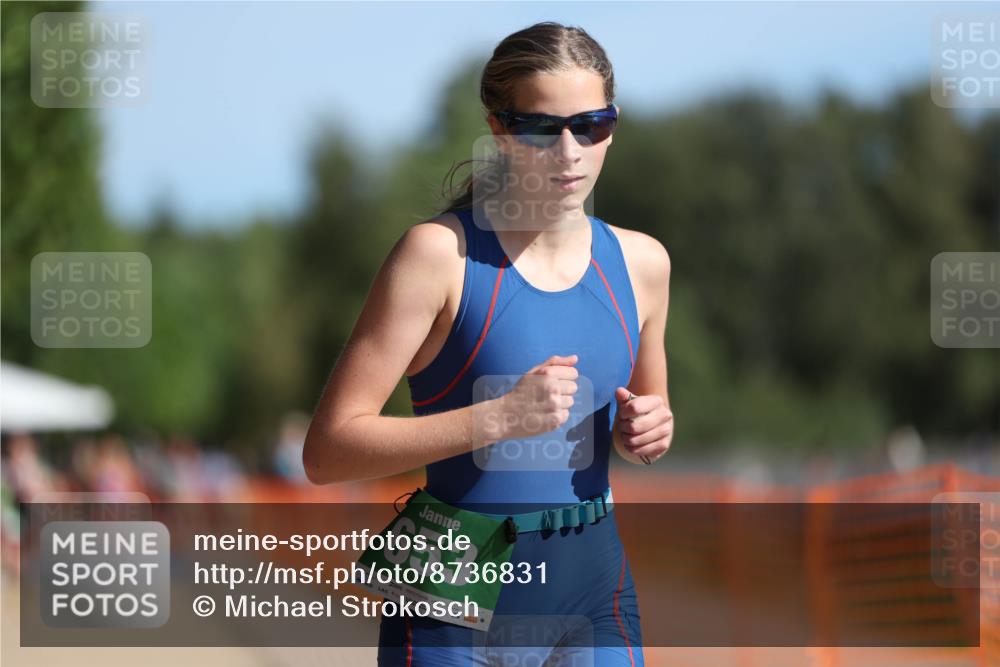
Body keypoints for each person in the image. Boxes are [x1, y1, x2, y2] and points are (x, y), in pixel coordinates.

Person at [304, 21, 673, 666]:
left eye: (592, 124)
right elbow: (327, 451)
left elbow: (646, 415)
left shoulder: (643, 264)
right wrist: (498, 418)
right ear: (498, 128)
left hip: (594, 586)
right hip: (452, 592)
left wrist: (649, 429)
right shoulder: (438, 257)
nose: (569, 150)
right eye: (541, 127)